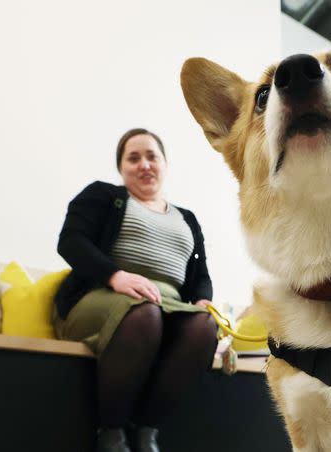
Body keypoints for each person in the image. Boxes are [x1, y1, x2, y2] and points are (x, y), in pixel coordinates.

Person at [53, 128, 218, 452]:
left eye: (151, 156)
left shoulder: (188, 219)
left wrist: (203, 301)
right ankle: (110, 432)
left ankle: (146, 431)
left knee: (204, 326)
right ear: (121, 168)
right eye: (133, 158)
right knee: (144, 314)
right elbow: (71, 241)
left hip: (168, 308)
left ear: (164, 164)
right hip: (103, 298)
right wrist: (116, 276)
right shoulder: (103, 196)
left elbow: (201, 275)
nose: (144, 164)